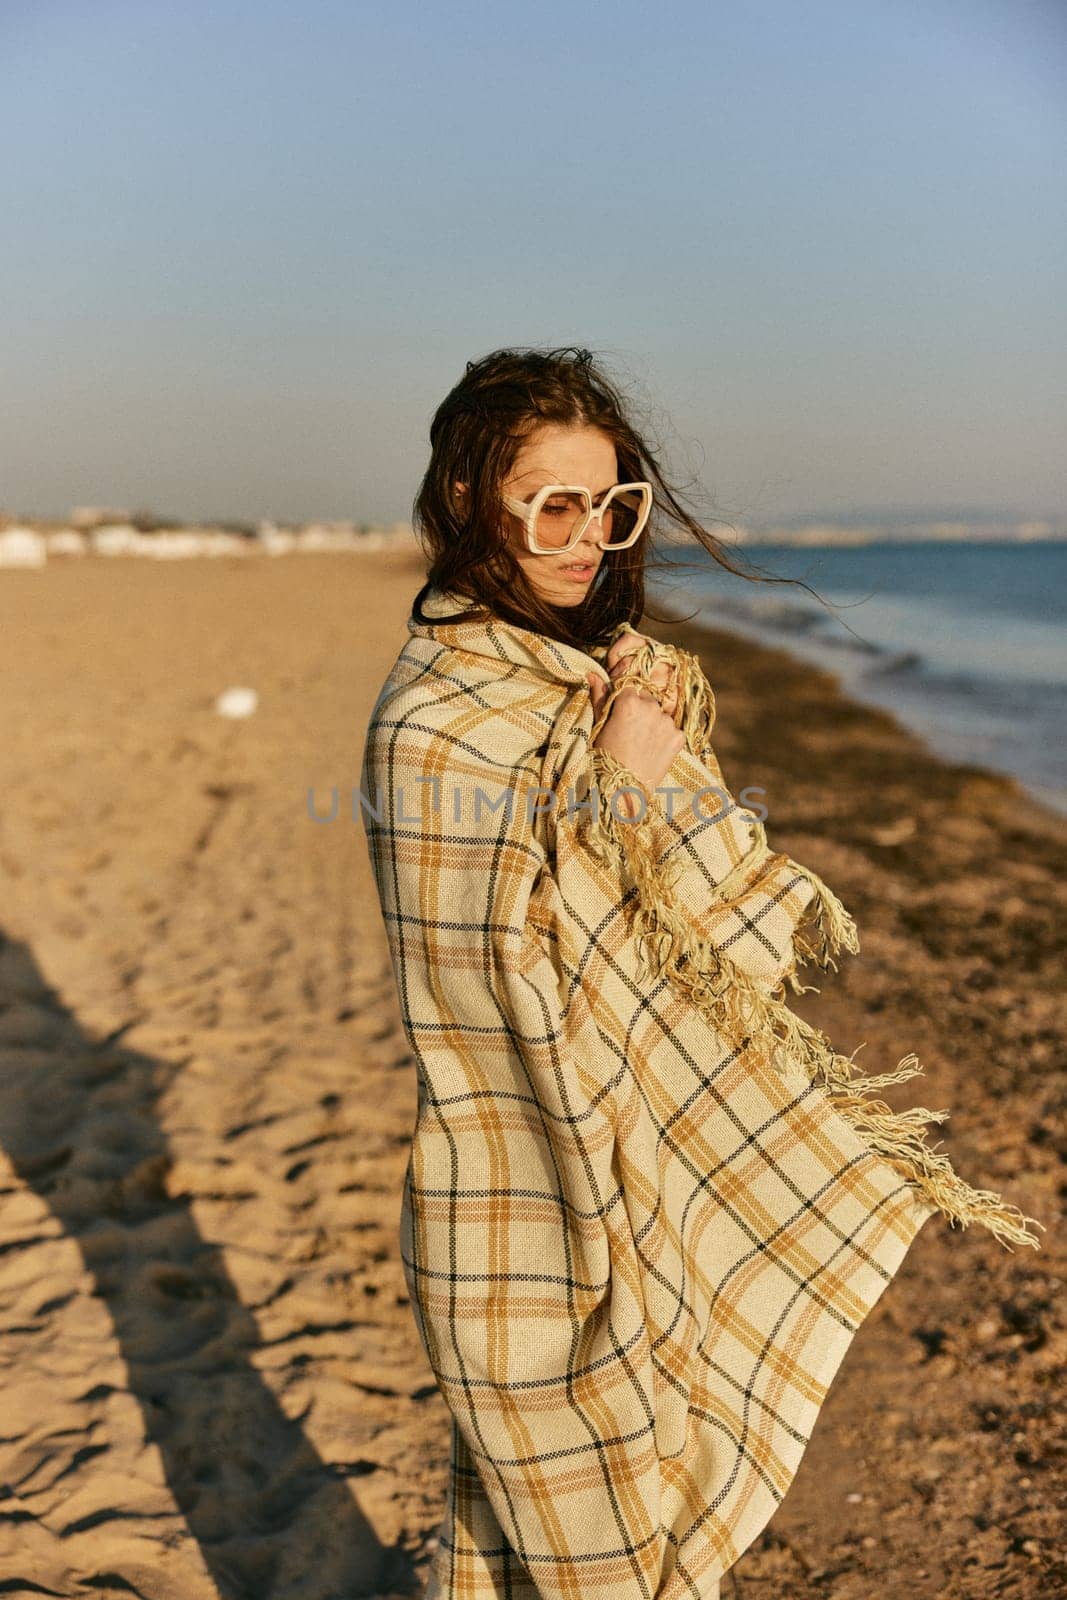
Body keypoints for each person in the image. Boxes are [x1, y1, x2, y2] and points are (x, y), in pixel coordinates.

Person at [360, 346, 1043, 1600]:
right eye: (551, 504)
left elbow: (698, 937)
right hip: (514, 1199)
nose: (587, 539)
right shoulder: (436, 721)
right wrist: (621, 778)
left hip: (647, 1178)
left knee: (634, 1528)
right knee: (574, 1546)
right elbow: (502, 972)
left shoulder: (599, 683)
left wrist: (631, 752)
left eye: (612, 507)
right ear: (470, 502)